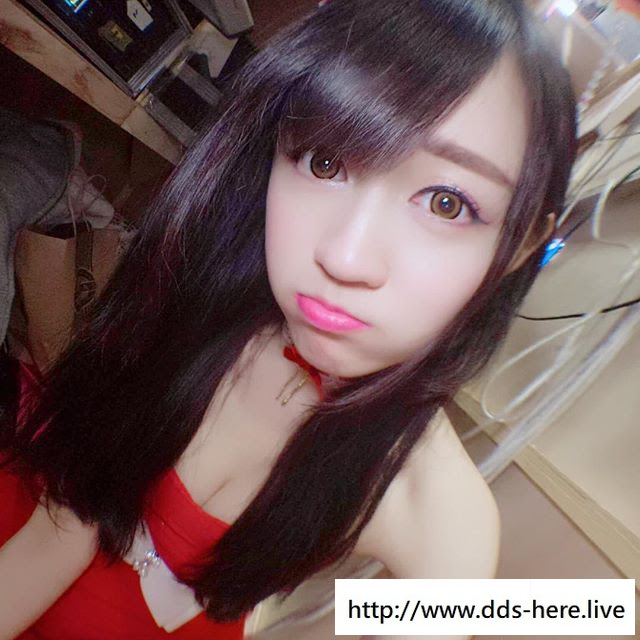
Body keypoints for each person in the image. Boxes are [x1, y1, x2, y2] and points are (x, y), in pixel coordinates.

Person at [0, 0, 577, 638]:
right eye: (324, 162)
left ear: (521, 245)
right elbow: (62, 529)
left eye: (447, 202)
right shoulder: (200, 297)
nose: (344, 256)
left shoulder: (439, 520)